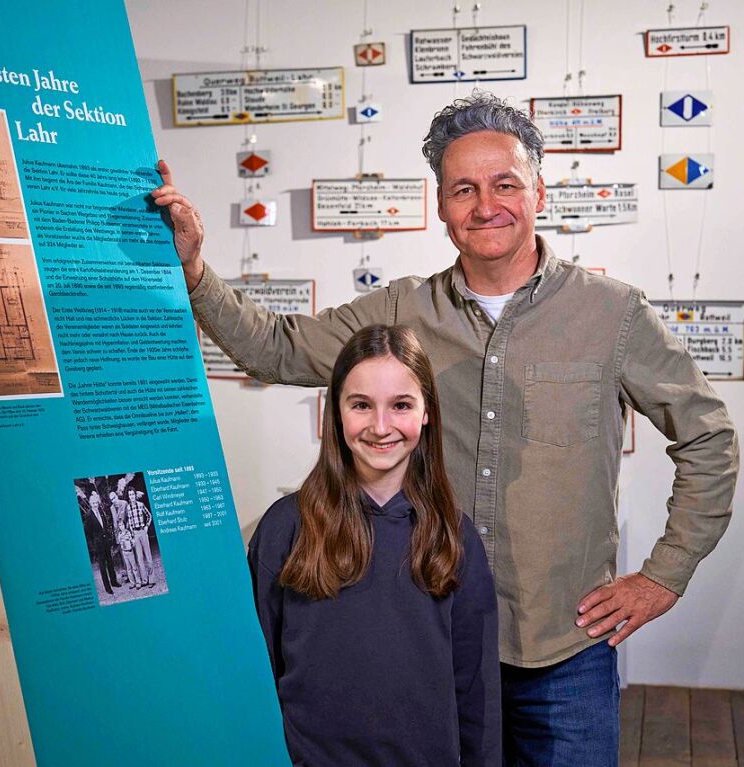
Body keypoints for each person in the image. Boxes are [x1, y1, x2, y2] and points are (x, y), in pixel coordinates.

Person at [152, 92, 739, 764]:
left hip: (561, 653)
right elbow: (277, 349)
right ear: (440, 206)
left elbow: (708, 439)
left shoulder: (613, 313)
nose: (484, 205)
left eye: (504, 184)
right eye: (463, 188)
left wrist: (663, 574)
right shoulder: (402, 308)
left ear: (538, 192)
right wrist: (194, 271)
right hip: (431, 644)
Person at [250, 324, 500, 765]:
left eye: (401, 405)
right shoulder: (284, 527)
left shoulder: (454, 538)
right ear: (336, 413)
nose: (381, 427)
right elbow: (255, 672)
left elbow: (475, 691)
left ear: (427, 412)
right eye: (361, 405)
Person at [84, 490, 120, 595]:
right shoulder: (88, 515)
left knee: (110, 562)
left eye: (96, 503)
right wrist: (93, 547)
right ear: (91, 504)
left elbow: (105, 526)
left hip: (106, 542)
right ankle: (108, 588)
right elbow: (87, 534)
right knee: (102, 567)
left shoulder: (101, 512)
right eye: (93, 503)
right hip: (98, 545)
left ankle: (114, 582)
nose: (95, 505)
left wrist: (109, 538)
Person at [125, 486, 156, 588]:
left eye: (132, 494)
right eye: (129, 495)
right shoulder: (128, 508)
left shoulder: (141, 505)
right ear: (128, 497)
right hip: (135, 534)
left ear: (135, 495)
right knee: (139, 558)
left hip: (143, 531)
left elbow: (149, 516)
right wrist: (131, 535)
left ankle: (151, 580)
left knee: (148, 556)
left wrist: (147, 526)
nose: (131, 496)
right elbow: (129, 522)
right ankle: (144, 580)